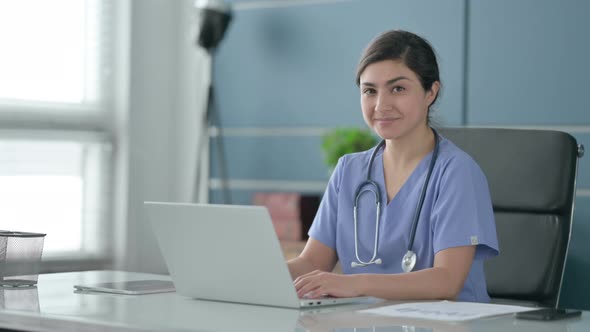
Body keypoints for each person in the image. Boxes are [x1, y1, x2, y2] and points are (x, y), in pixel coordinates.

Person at [287, 30, 499, 302]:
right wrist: (256, 273)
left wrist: (354, 284)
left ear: (430, 92)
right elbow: (312, 263)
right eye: (369, 91)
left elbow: (447, 281)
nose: (381, 105)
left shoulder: (457, 172)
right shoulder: (348, 171)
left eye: (398, 89)